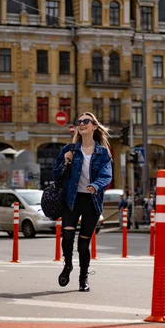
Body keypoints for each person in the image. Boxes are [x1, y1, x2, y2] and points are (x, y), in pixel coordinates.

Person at [53, 112, 112, 292]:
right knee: (68, 237)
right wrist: (65, 161)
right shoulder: (69, 149)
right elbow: (56, 175)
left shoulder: (102, 153)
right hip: (72, 199)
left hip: (91, 200)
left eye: (86, 121)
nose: (82, 123)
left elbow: (106, 174)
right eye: (79, 121)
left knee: (83, 244)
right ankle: (68, 265)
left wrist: (96, 185)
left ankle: (83, 277)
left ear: (94, 126)